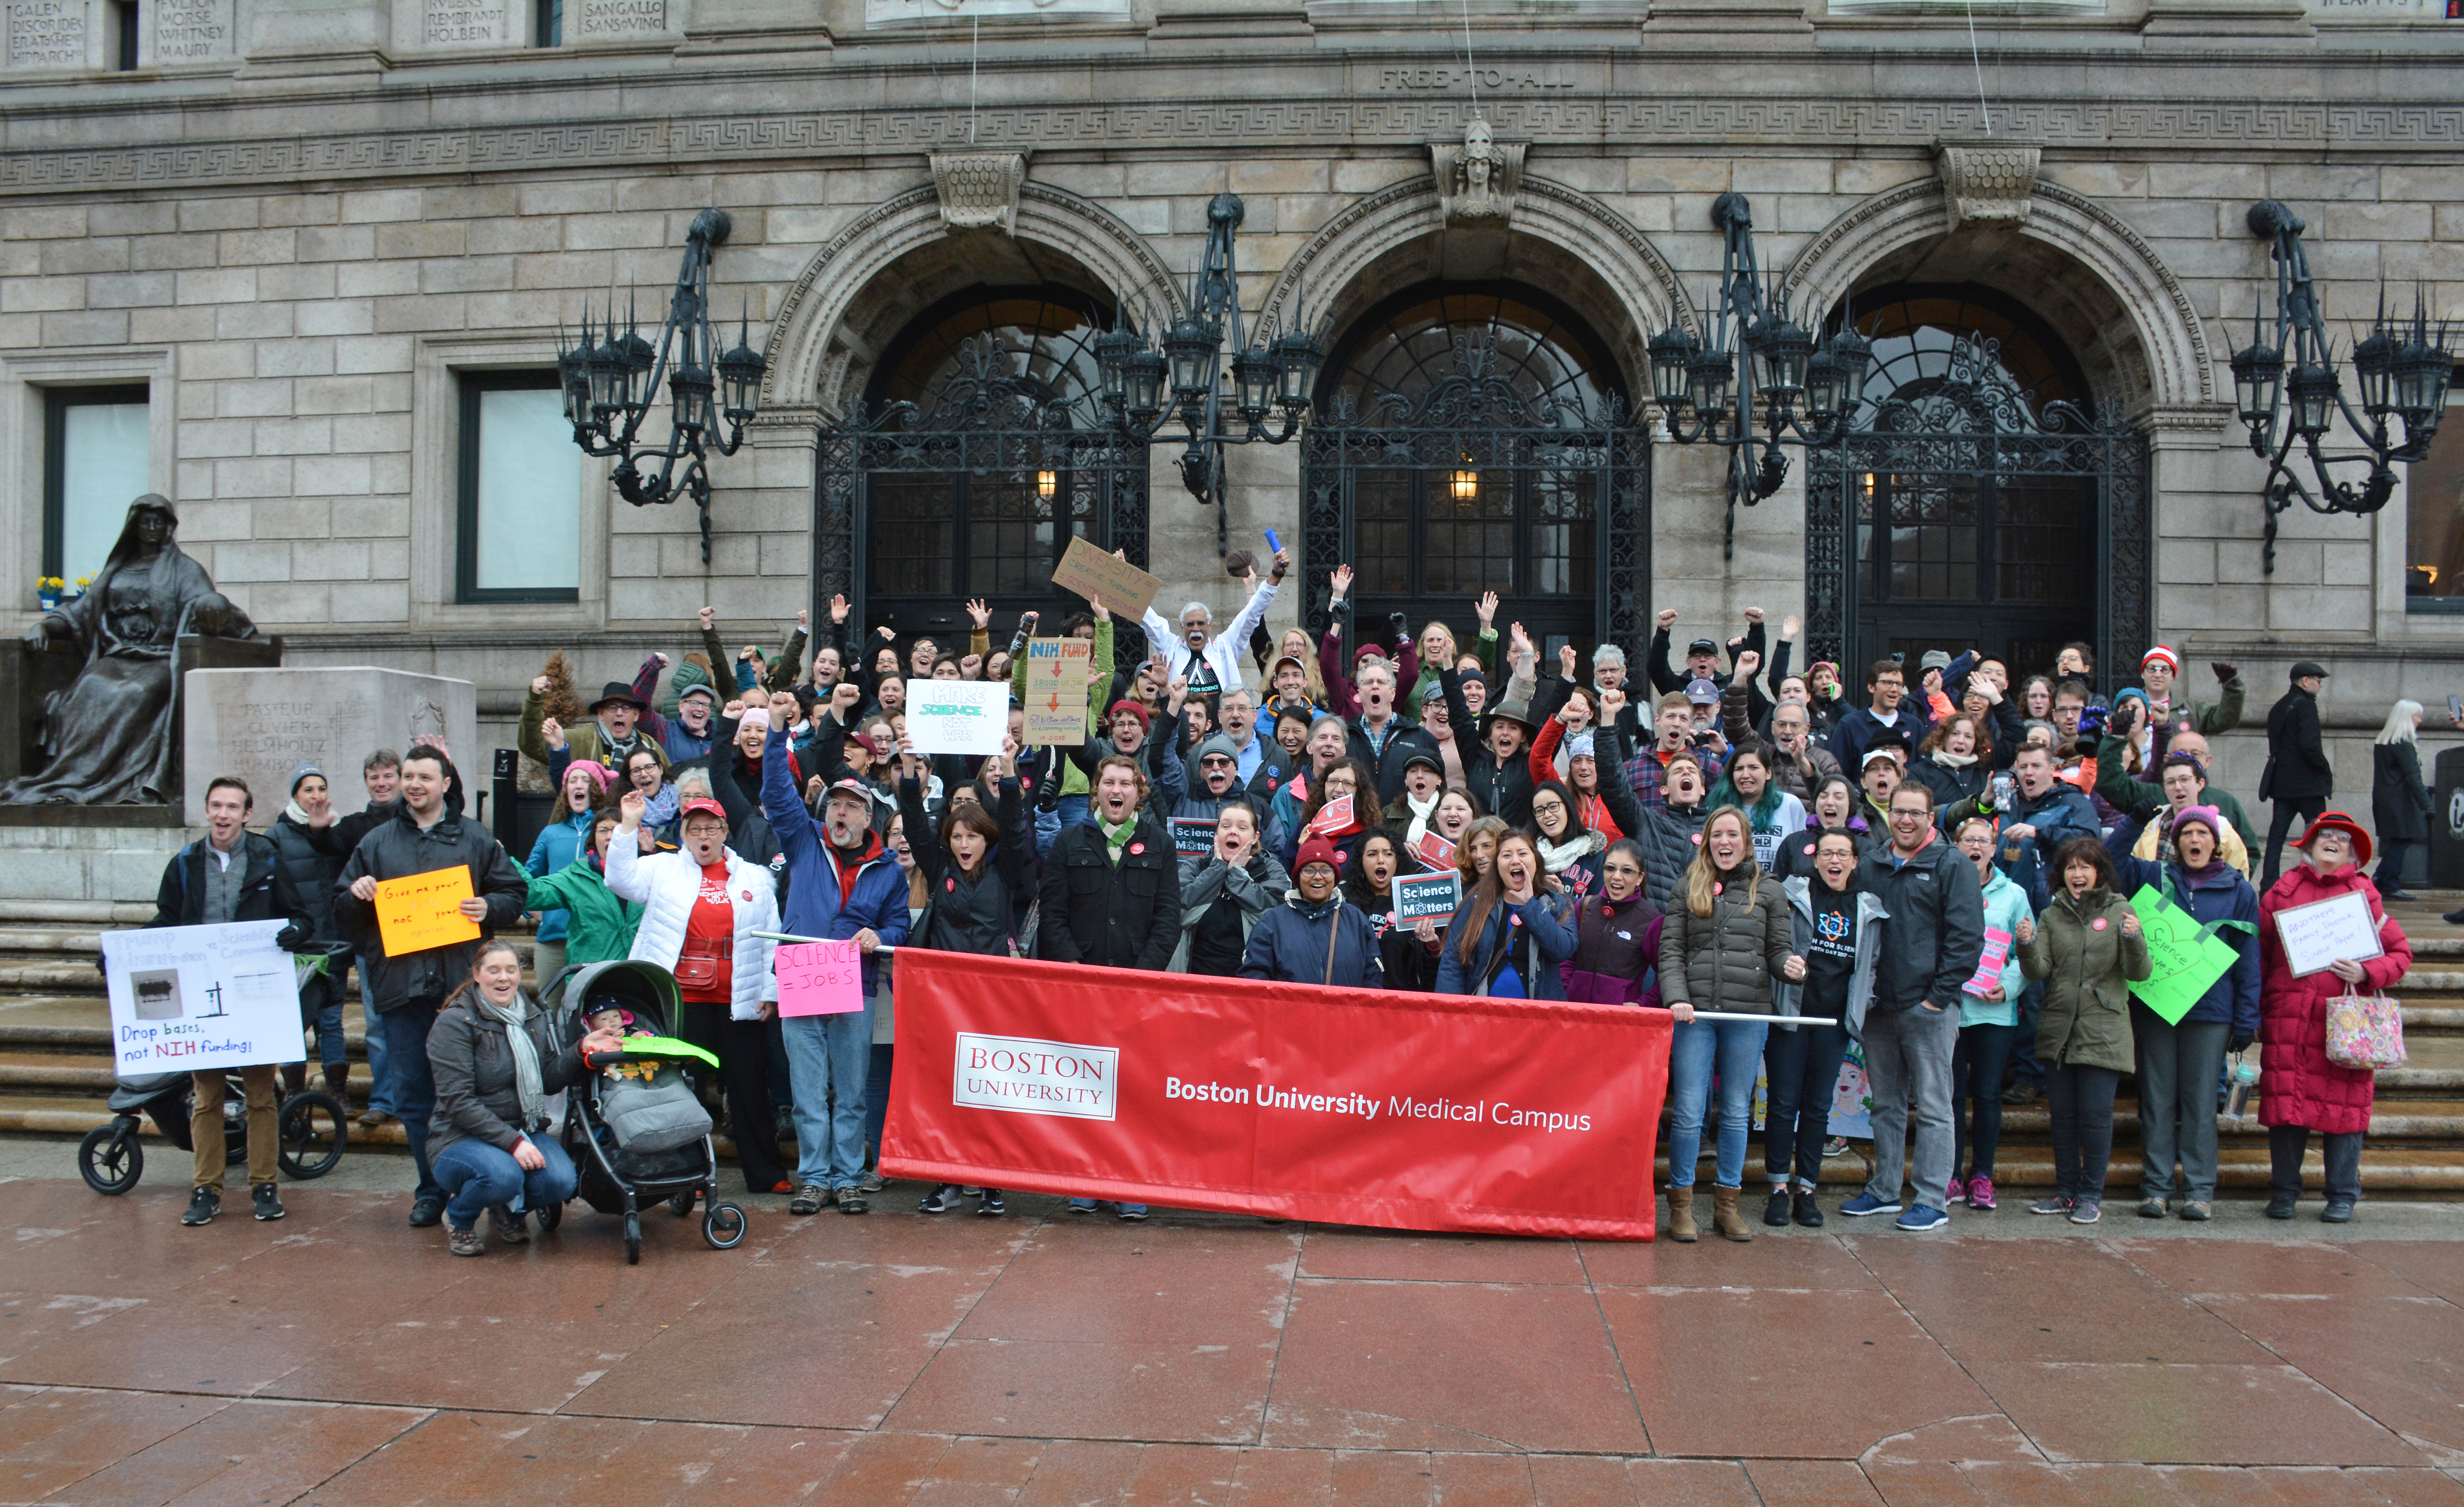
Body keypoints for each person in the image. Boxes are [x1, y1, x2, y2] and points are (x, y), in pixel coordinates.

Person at [334, 747, 529, 1229]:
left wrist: (489, 906)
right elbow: (343, 908)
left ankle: (495, 1188)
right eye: (407, 776)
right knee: (416, 1097)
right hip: (402, 989)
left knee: (483, 1094)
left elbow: (513, 893)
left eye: (425, 776)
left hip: (462, 991)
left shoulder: (476, 838)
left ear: (446, 784)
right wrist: (356, 896)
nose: (414, 784)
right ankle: (432, 1189)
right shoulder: (377, 842)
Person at [7, 496, 257, 805]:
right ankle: (71, 777)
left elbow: (208, 605)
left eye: (158, 522)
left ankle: (106, 779)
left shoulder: (185, 570)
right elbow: (80, 611)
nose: (151, 528)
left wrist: (213, 609)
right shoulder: (116, 570)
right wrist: (45, 626)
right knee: (88, 688)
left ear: (168, 528)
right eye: (145, 522)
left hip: (161, 657)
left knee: (136, 693)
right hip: (119, 655)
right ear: (134, 527)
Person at [146, 776, 314, 1226]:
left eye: (232, 807)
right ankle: (206, 1187)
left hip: (254, 993)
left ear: (246, 814)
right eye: (216, 805)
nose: (223, 814)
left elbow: (299, 915)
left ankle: (264, 1185)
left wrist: (297, 931)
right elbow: (166, 918)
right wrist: (123, 956)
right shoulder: (184, 862)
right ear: (208, 810)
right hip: (204, 996)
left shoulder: (268, 859)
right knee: (207, 1097)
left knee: (261, 1095)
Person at [764, 713, 913, 1215]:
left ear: (868, 818)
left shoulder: (888, 871)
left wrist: (881, 935)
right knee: (808, 1092)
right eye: (834, 806)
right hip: (804, 980)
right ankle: (813, 1178)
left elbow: (900, 927)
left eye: (851, 807)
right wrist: (773, 734)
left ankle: (848, 1177)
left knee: (849, 1092)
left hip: (857, 985)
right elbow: (777, 792)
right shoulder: (804, 840)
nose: (840, 814)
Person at [605, 791, 787, 1196]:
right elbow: (619, 879)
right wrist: (629, 826)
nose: (703, 836)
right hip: (682, 1001)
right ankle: (689, 1175)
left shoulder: (756, 877)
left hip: (739, 999)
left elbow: (774, 938)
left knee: (750, 1089)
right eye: (694, 829)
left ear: (725, 833)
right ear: (684, 835)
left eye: (711, 828)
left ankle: (766, 1173)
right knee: (683, 1090)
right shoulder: (662, 869)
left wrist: (772, 990)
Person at [1836, 782, 1984, 1233]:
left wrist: (1936, 997)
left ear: (1930, 819)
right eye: (1898, 811)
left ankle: (1931, 1198)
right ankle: (1883, 1190)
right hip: (1879, 1007)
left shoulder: (1952, 864)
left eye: (1915, 813)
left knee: (1936, 1106)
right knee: (1884, 1104)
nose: (1904, 820)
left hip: (1929, 1009)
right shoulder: (1873, 863)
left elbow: (1966, 939)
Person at [2102, 803, 2259, 1221]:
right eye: (2187, 834)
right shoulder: (2153, 877)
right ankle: (2156, 1189)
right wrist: (2133, 820)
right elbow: (2109, 862)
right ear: (2175, 843)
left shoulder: (2239, 891)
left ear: (2216, 843)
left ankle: (2199, 1191)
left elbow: (2248, 958)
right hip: (2156, 1008)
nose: (2194, 840)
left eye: (2202, 834)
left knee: (2201, 1101)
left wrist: (2247, 1018)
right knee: (2156, 1099)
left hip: (2211, 1013)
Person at [1041, 754, 1180, 1218]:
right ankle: (1084, 1178)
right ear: (1095, 790)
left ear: (1138, 792)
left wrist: (1141, 975)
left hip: (1137, 989)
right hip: (1082, 989)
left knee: (1133, 1088)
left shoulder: (1160, 844)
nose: (1115, 790)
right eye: (1107, 782)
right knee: (1084, 1087)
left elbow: (1167, 920)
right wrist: (1076, 971)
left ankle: (1128, 1181)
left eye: (1125, 783)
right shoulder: (1068, 842)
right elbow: (1053, 915)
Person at [1656, 807, 1803, 1242]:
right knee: (1686, 1113)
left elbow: (1777, 951)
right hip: (1695, 1016)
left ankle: (1726, 1205)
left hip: (1746, 1015)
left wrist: (1790, 966)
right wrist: (1677, 997)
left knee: (1737, 1112)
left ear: (1746, 840)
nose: (1724, 842)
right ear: (1706, 840)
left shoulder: (1769, 889)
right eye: (1716, 834)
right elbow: (1670, 952)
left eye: (1732, 835)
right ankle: (1681, 1206)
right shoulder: (1687, 885)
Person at [902, 740, 1034, 1217]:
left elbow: (1017, 830)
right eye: (956, 837)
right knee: (946, 1092)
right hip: (944, 1001)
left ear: (986, 840)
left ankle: (991, 1181)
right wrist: (908, 771)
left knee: (990, 1092)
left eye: (972, 837)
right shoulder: (939, 870)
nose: (962, 845)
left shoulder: (1007, 872)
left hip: (994, 1001)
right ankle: (947, 1180)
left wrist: (1012, 772)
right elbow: (915, 826)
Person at [2259, 812, 2412, 1223]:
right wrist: (2259, 1010)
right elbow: (2260, 957)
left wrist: (2368, 972)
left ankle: (2343, 1194)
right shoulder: (2281, 893)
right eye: (2324, 835)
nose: (2332, 841)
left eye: (2342, 838)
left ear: (2353, 853)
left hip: (2344, 1024)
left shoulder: (2367, 897)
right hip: (2290, 1020)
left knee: (2345, 1114)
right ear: (2308, 846)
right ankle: (2284, 1193)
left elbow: (2401, 955)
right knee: (2287, 1110)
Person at [426, 939, 621, 1255]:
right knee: (502, 1175)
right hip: (459, 1136)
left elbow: (547, 1081)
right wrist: (512, 1143)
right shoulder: (455, 1023)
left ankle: (509, 1212)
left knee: (561, 1182)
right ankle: (460, 1218)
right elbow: (457, 1101)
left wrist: (581, 1049)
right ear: (477, 975)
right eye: (494, 971)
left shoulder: (533, 1017)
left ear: (520, 974)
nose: (503, 978)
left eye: (511, 970)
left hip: (523, 1125)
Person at [2016, 837, 2149, 1226]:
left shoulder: (2121, 910)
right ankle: (2064, 1192)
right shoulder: (2052, 914)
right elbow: (2037, 970)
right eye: (2071, 867)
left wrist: (2133, 938)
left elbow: (2139, 973)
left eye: (2085, 867)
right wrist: (2025, 944)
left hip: (2103, 1029)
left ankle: (2091, 1195)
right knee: (2062, 1117)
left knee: (2095, 1117)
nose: (2078, 874)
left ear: (2100, 873)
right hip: (2060, 1028)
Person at [1767, 828, 1878, 1228]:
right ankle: (1778, 1188)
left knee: (1817, 1108)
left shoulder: (1869, 907)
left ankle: (1807, 1189)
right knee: (1782, 1105)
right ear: (1815, 861)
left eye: (1842, 855)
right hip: (1792, 1018)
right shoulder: (1793, 894)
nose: (1834, 861)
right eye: (1827, 854)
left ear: (1854, 862)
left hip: (1834, 1024)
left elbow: (1873, 964)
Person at [1948, 815, 2031, 1214]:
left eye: (1983, 840)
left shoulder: (2014, 894)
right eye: (1968, 840)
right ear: (1957, 846)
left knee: (1987, 1095)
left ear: (1994, 850)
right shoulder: (1945, 887)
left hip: (1994, 1010)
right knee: (1950, 1096)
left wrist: (2009, 986)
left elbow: (2026, 953)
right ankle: (1948, 1173)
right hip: (1949, 1008)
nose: (1975, 846)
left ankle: (1982, 1175)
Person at [265, 761, 350, 1105]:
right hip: (296, 944)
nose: (316, 795)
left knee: (331, 1020)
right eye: (308, 789)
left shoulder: (339, 831)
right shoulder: (276, 836)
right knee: (294, 1020)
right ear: (295, 795)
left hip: (332, 942)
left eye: (321, 788)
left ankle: (338, 1091)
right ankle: (296, 1091)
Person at [1435, 825, 1576, 999]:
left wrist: (1531, 904)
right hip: (1483, 1016)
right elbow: (1452, 963)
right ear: (1498, 866)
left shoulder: (1558, 902)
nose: (1515, 861)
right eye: (1507, 855)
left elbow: (1562, 950)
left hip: (1539, 1020)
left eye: (1523, 854)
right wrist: (1449, 1012)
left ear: (1536, 861)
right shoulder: (1476, 903)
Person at [1141, 548, 1287, 697]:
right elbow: (1148, 619)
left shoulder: (1225, 647)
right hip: (1181, 720)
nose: (1196, 628)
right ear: (1182, 626)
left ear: (1210, 625)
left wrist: (1276, 575)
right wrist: (1121, 577)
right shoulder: (1170, 648)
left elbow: (1252, 613)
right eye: (1190, 624)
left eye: (1201, 623)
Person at [1243, 836, 1384, 987]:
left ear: (1336, 876)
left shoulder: (1356, 921)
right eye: (1309, 870)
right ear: (1298, 877)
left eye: (1326, 870)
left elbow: (1373, 977)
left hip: (1346, 1012)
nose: (1318, 877)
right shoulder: (1272, 923)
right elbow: (1255, 978)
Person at [1171, 799, 1290, 975]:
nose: (1233, 832)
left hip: (1248, 982)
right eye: (1226, 827)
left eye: (1242, 828)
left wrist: (1237, 873)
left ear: (1255, 837)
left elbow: (1275, 919)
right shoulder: (1196, 866)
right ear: (1217, 834)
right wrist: (1217, 870)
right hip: (1194, 981)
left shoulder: (1271, 869)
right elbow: (1179, 912)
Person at [525, 760, 610, 982]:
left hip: (594, 941)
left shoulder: (607, 833)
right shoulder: (550, 834)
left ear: (596, 789)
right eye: (573, 780)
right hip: (553, 941)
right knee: (550, 1011)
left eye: (585, 780)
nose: (579, 785)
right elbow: (528, 880)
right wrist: (542, 916)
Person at [522, 810, 643, 966]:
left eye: (617, 830)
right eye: (603, 830)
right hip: (593, 980)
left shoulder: (647, 871)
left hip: (641, 977)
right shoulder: (577, 876)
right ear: (594, 839)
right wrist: (503, 860)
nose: (609, 836)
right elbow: (533, 894)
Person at [1558, 838, 1661, 1007]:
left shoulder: (1652, 920)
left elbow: (1666, 975)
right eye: (1610, 868)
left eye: (1627, 871)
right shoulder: (1584, 907)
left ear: (1640, 878)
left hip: (1620, 1023)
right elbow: (1568, 959)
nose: (1617, 876)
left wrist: (1642, 1006)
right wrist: (1569, 990)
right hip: (1575, 1016)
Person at [2261, 661, 2333, 889]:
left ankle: (2268, 884)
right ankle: (2318, 880)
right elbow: (2310, 747)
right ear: (2305, 681)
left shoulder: (2279, 707)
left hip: (2282, 785)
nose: (2320, 686)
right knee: (2321, 835)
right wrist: (2324, 767)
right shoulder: (2306, 706)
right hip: (2308, 786)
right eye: (2318, 681)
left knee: (2276, 837)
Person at [1346, 829, 1444, 992]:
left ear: (1398, 860)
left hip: (1405, 1004)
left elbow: (1432, 973)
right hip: (1358, 1003)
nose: (1381, 860)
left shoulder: (1415, 902)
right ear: (1361, 863)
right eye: (1372, 854)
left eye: (1388, 854)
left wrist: (1433, 945)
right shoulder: (1346, 905)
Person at [522, 676, 667, 776]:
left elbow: (671, 780)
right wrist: (535, 700)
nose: (619, 713)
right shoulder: (581, 740)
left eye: (626, 708)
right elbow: (534, 746)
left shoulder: (649, 746)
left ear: (636, 715)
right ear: (601, 714)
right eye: (612, 707)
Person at [2371, 699, 2431, 901]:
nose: (2419, 721)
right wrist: (2428, 806)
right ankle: (2389, 884)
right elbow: (2413, 777)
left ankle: (2380, 880)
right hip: (2400, 801)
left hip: (2385, 799)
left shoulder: (2383, 742)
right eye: (2417, 716)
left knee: (2396, 842)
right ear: (2407, 718)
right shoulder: (2403, 745)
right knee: (2401, 842)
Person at [1830, 658, 1933, 775]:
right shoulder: (1849, 725)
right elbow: (1839, 774)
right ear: (1871, 687)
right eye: (1888, 683)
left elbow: (1924, 772)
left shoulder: (1915, 725)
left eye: (1899, 684)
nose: (1894, 689)